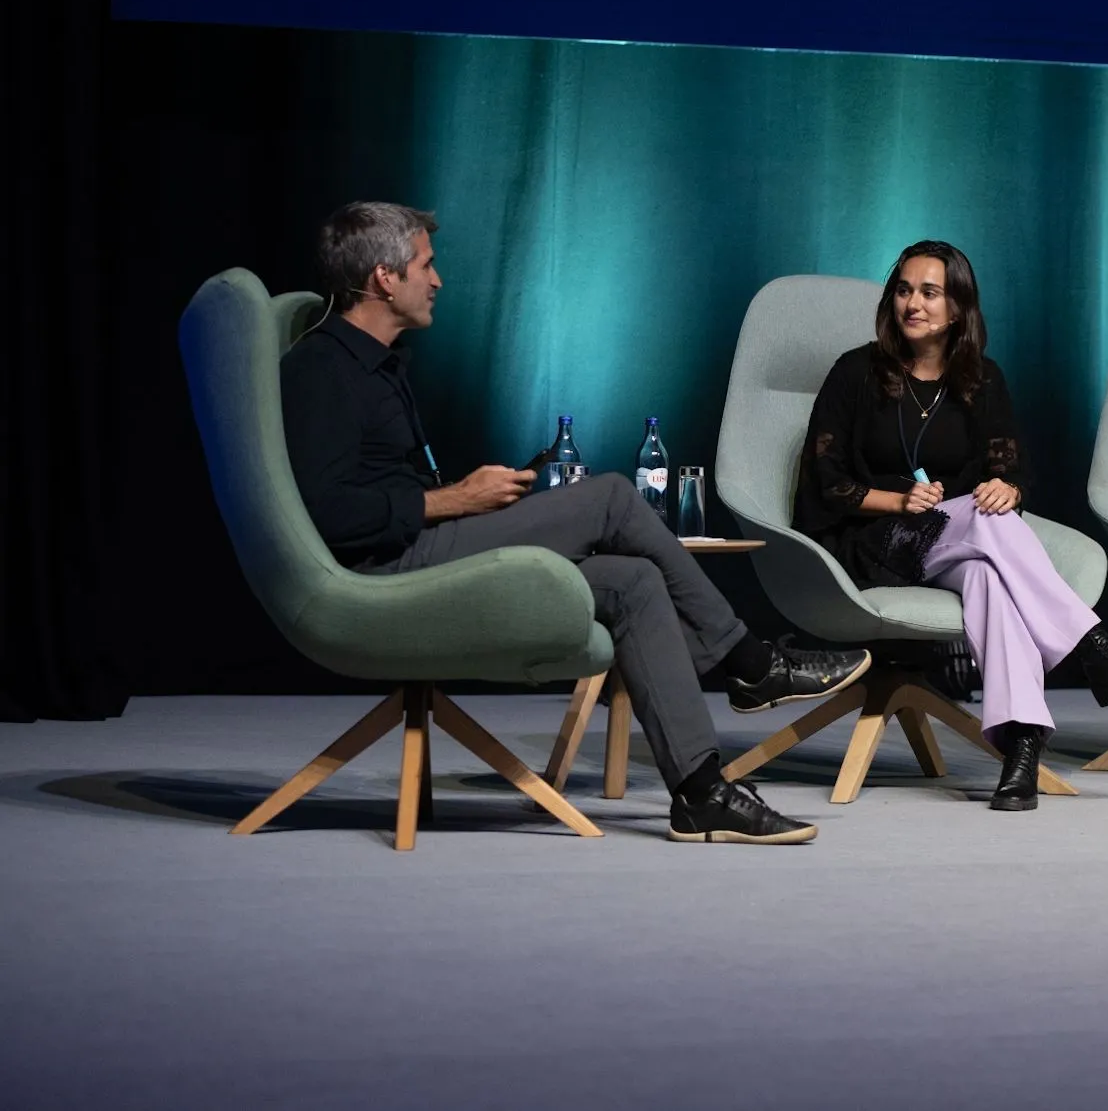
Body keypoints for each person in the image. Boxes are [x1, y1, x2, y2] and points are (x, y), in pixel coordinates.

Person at [280, 202, 871, 844]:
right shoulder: (322, 369)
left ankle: (702, 793)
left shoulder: (381, 366)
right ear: (384, 277)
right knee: (612, 496)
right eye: (426, 265)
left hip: (418, 542)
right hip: (386, 570)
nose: (438, 280)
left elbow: (381, 485)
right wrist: (453, 502)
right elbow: (329, 512)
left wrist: (469, 495)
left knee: (636, 580)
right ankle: (750, 662)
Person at [793, 240, 1108, 811]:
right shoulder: (856, 371)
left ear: (958, 308)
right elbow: (826, 480)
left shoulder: (980, 379)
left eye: (929, 292)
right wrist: (898, 503)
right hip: (871, 542)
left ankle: (1021, 748)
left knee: (988, 568)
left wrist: (1007, 488)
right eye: (903, 290)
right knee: (981, 519)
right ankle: (1090, 643)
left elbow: (1009, 467)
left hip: (954, 544)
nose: (911, 304)